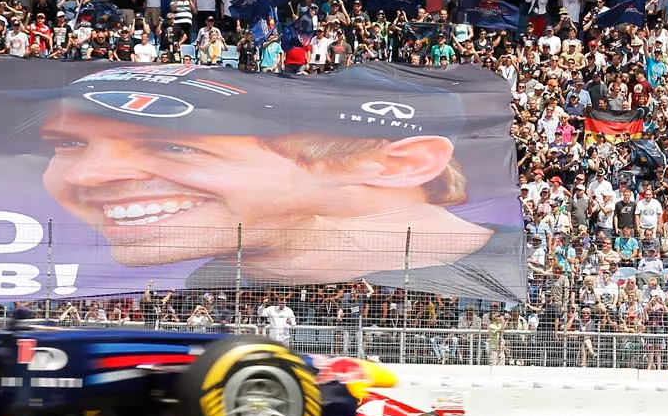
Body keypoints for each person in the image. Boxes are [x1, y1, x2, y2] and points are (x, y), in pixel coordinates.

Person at [35, 63, 523, 299]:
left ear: (400, 164)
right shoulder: (213, 278)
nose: (85, 176)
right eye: (69, 143)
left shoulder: (493, 280)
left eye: (176, 146)